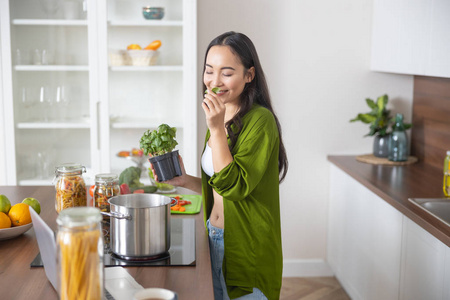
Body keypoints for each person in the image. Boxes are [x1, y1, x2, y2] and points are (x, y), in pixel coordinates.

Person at [151, 31, 288, 300]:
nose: (214, 82)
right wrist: (185, 181)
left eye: (227, 73)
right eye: (209, 71)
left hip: (247, 247)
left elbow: (235, 187)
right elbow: (218, 185)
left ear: (249, 75)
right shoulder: (221, 115)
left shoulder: (260, 121)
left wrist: (215, 130)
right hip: (215, 237)